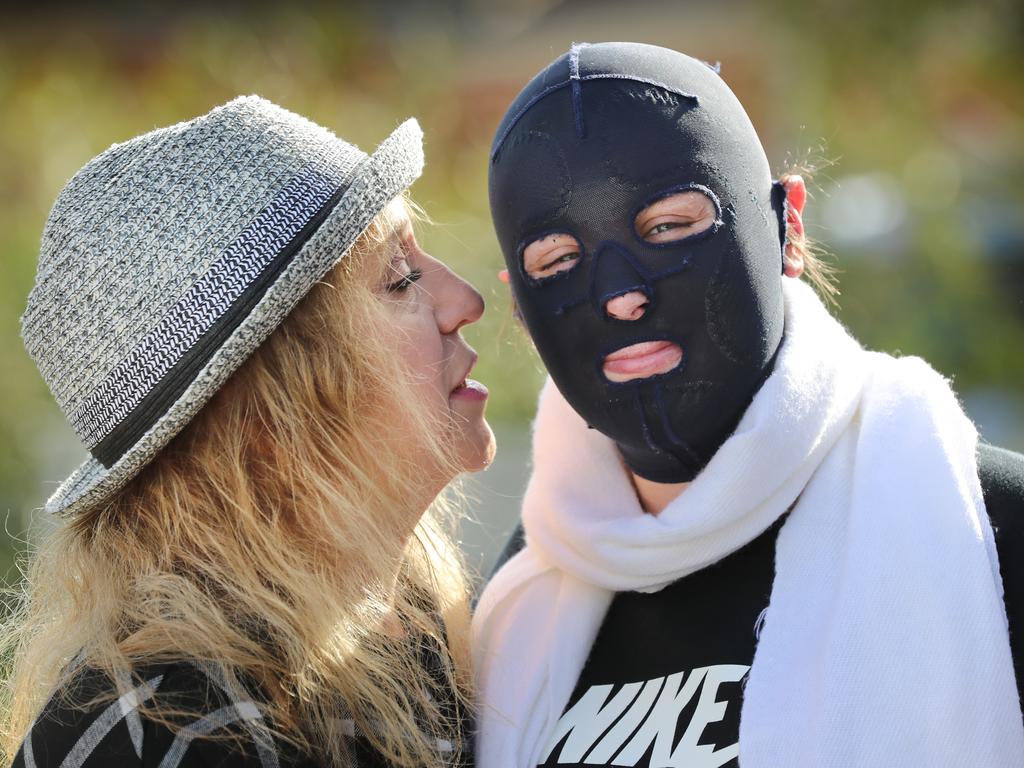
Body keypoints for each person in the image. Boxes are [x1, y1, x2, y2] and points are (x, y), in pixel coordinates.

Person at [473, 42, 1024, 768]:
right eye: (559, 261)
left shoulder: (987, 531)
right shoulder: (516, 604)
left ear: (786, 224)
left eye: (668, 226)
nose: (621, 294)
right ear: (520, 307)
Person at [1, 96, 495, 768]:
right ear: (270, 414)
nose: (466, 301)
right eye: (400, 279)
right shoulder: (168, 736)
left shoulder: (432, 643)